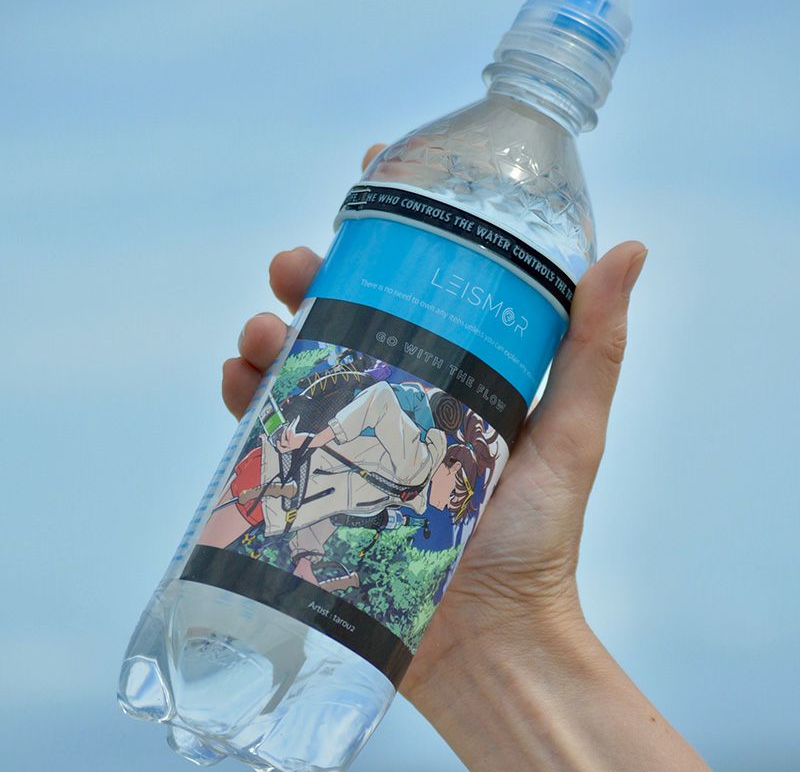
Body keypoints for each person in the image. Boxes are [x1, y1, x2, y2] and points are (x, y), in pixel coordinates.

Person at [220, 145, 711, 771]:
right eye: (458, 488)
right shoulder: (414, 458)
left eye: (456, 497)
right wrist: (315, 440)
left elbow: (358, 503)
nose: (454, 499)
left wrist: (498, 625)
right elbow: (376, 403)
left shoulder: (412, 496)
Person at [200, 377, 497, 591]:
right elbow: (380, 398)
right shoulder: (417, 466)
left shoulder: (408, 491)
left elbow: (336, 500)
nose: (448, 506)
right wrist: (311, 441)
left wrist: (305, 558)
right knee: (199, 567)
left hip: (277, 488)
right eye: (457, 495)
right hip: (270, 482)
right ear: (452, 467)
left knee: (200, 567)